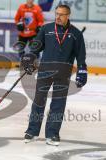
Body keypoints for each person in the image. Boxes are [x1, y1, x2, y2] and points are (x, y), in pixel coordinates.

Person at [21, 4, 87, 146]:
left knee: (58, 104)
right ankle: (32, 132)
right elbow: (35, 47)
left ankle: (52, 134)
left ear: (68, 16)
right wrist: (30, 57)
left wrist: (82, 70)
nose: (58, 17)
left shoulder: (76, 34)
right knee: (38, 102)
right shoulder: (46, 29)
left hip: (63, 74)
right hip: (45, 71)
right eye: (56, 14)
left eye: (61, 14)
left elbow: (81, 57)